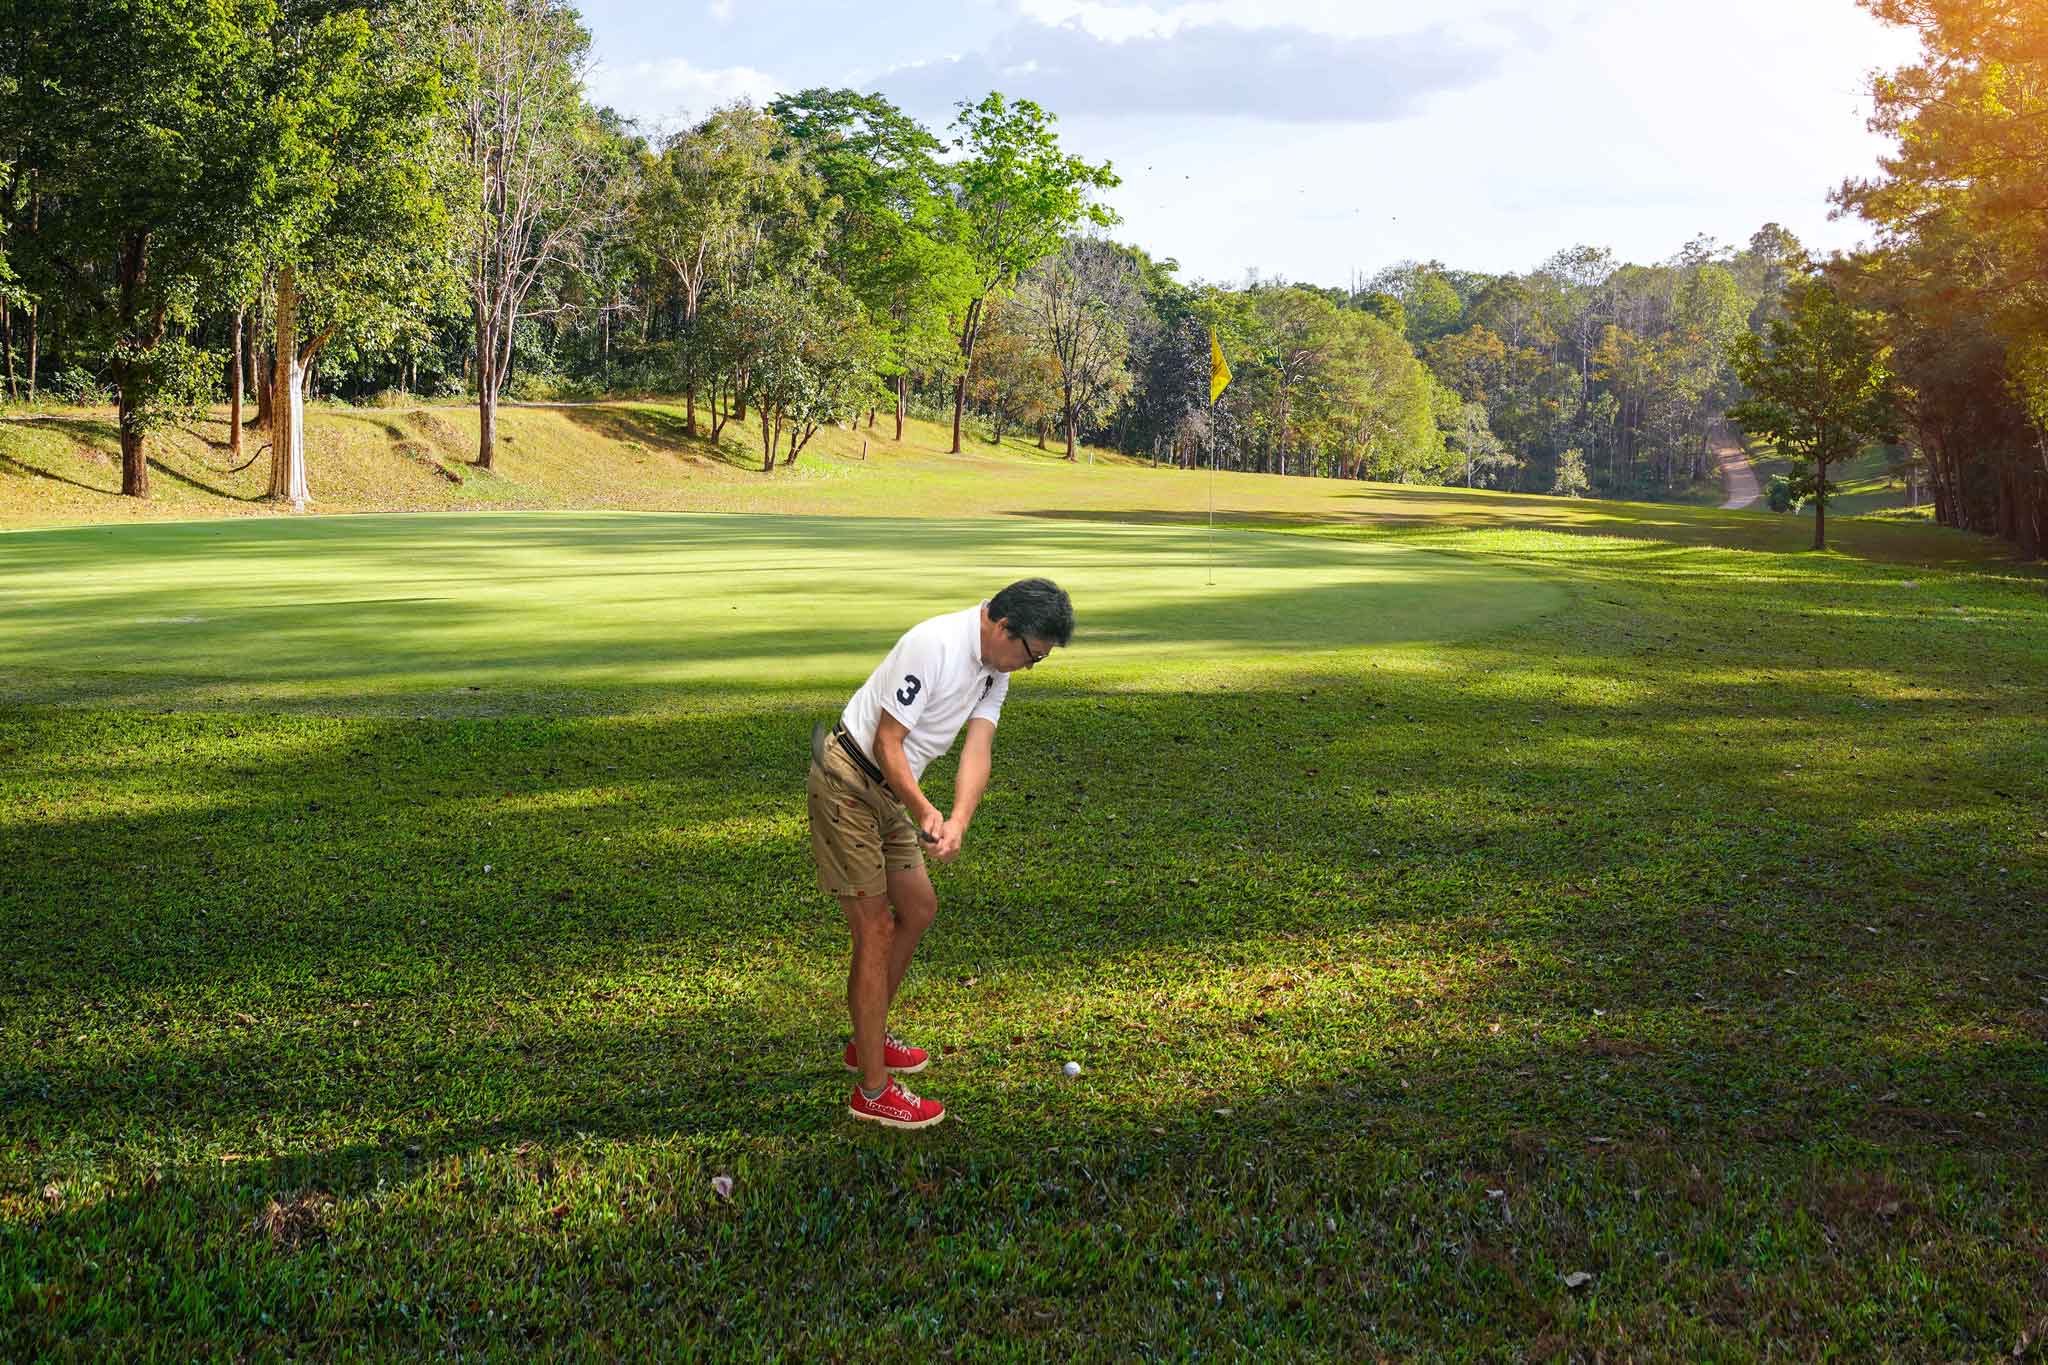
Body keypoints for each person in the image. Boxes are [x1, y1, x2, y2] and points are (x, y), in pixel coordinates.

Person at [808, 578, 1074, 1130]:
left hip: (890, 792)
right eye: (1032, 655)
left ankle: (868, 1039)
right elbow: (887, 741)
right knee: (875, 928)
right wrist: (926, 810)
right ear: (1004, 628)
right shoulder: (935, 644)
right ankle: (873, 1090)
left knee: (920, 908)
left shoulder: (994, 670)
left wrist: (957, 819)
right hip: (848, 782)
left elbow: (979, 749)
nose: (1029, 667)